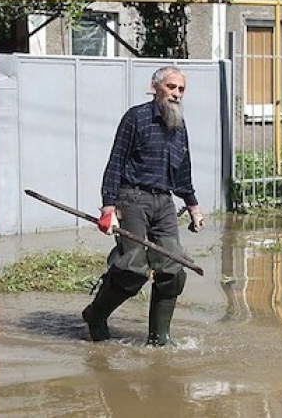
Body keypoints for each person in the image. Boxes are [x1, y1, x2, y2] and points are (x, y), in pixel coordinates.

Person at [82, 65, 205, 346]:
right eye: (171, 87)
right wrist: (108, 208)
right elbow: (115, 162)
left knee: (173, 270)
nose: (176, 94)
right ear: (155, 87)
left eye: (181, 89)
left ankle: (159, 339)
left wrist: (193, 205)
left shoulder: (179, 125)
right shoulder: (135, 117)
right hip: (132, 198)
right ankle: (95, 315)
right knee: (132, 270)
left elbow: (183, 169)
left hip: (164, 202)